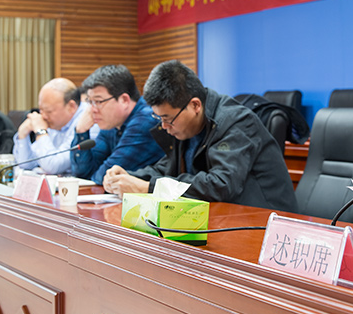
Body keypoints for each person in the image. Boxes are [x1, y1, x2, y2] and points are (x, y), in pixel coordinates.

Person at [102, 60, 298, 213]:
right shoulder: (185, 126)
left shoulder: (236, 122)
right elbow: (166, 169)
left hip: (264, 221)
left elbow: (221, 185)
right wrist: (128, 177)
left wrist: (147, 187)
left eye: (168, 119)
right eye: (159, 118)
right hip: (222, 216)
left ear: (195, 105)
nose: (164, 126)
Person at [70, 65, 165, 185]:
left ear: (124, 100)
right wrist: (81, 131)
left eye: (98, 101)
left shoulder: (147, 121)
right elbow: (82, 173)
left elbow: (104, 177)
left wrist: (93, 176)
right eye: (90, 101)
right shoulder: (112, 123)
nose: (92, 110)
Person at [12, 78, 99, 175]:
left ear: (71, 107)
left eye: (48, 111)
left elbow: (53, 166)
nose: (43, 116)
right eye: (41, 110)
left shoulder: (88, 121)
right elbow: (27, 164)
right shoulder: (55, 121)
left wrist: (41, 132)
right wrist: (22, 134)